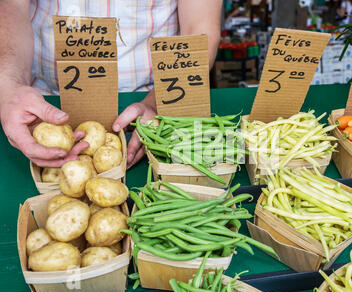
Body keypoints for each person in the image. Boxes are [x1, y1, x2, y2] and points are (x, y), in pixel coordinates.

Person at [0, 0, 223, 169]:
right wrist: (9, 84)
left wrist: (159, 103)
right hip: (42, 105)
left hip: (151, 106)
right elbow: (10, 6)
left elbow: (199, 26)